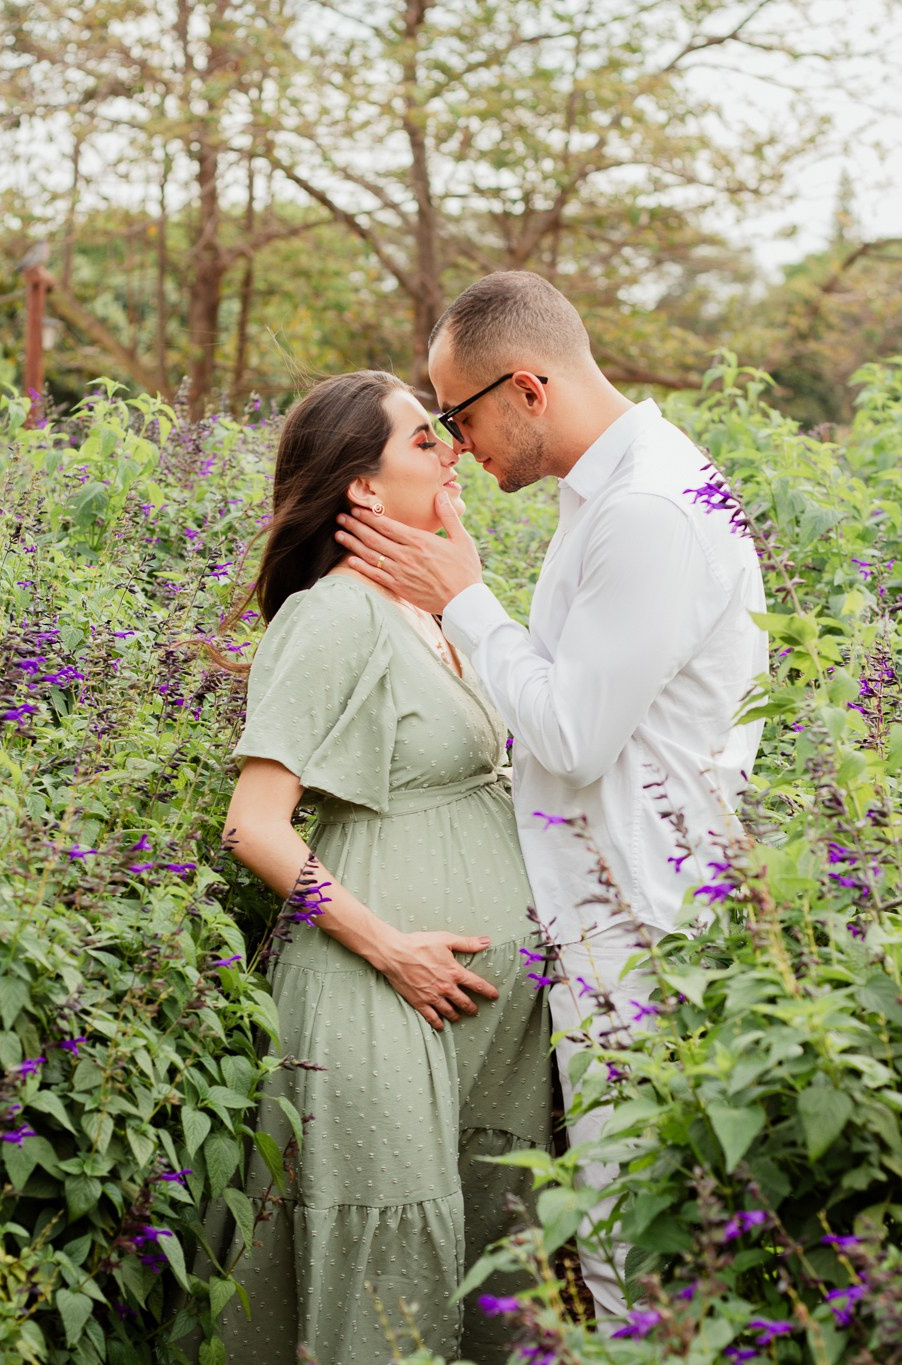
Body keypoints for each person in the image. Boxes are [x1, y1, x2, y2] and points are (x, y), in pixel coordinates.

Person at [334, 272, 768, 1327]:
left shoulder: (648, 513)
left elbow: (572, 736)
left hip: (642, 928)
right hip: (602, 917)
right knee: (619, 1230)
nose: (454, 443)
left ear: (527, 387)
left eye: (459, 414)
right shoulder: (611, 496)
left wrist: (463, 599)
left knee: (638, 1238)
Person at [213, 370, 552, 1365]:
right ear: (361, 488)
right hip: (379, 989)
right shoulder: (331, 618)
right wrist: (391, 949)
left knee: (493, 1263)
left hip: (486, 1016)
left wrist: (469, 580)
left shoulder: (433, 613)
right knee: (385, 1277)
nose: (452, 447)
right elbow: (255, 826)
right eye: (422, 440)